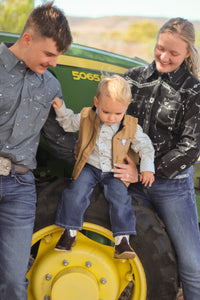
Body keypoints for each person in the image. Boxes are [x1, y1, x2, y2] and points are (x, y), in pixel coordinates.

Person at [112, 18, 200, 300]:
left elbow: (191, 147)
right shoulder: (132, 79)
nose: (164, 57)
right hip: (128, 181)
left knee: (192, 264)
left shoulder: (193, 91)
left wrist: (146, 171)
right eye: (160, 48)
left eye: (173, 53)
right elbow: (108, 119)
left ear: (188, 52)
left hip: (171, 188)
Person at [0, 2, 75, 300]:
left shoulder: (50, 87)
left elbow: (58, 140)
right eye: (49, 54)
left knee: (15, 282)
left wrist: (101, 165)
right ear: (28, 38)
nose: (54, 62)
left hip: (20, 188)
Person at [52, 75, 155, 259]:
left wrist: (147, 168)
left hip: (115, 171)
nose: (111, 118)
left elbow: (145, 147)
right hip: (90, 167)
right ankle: (69, 232)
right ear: (96, 102)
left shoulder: (131, 126)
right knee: (75, 191)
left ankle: (122, 241)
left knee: (120, 199)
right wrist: (61, 109)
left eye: (118, 114)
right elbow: (69, 124)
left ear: (126, 108)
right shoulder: (86, 116)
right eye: (106, 112)